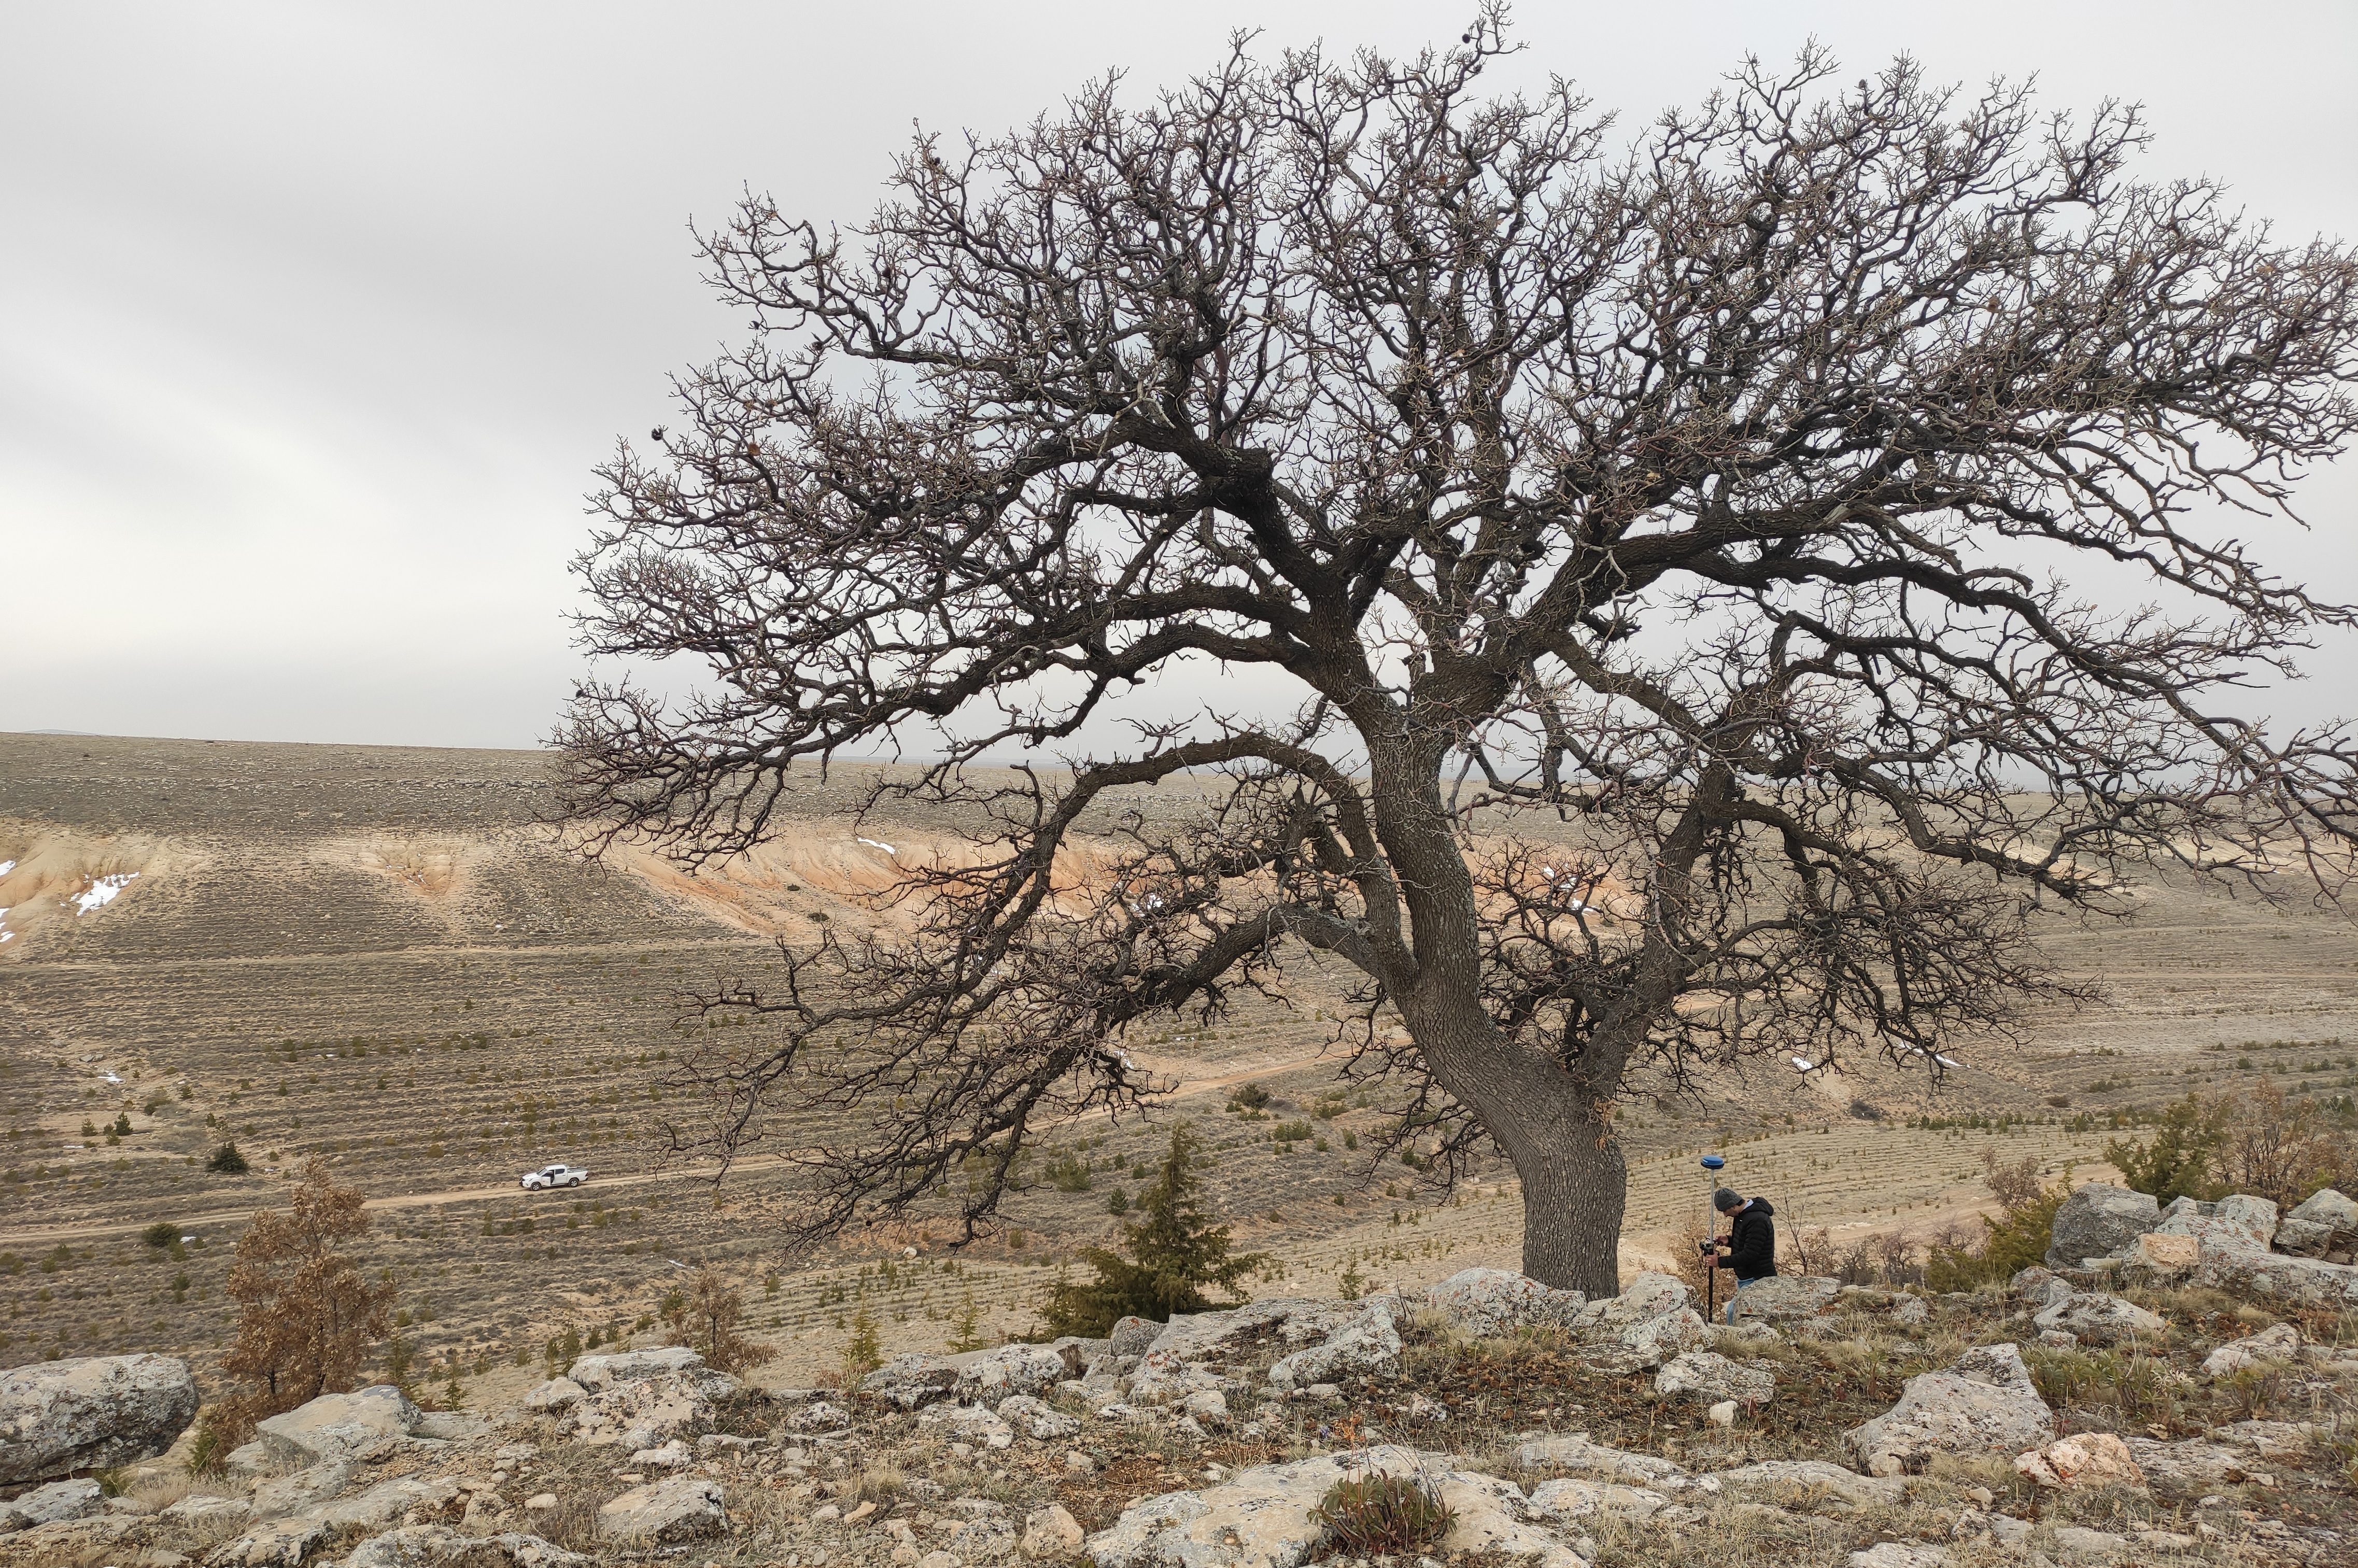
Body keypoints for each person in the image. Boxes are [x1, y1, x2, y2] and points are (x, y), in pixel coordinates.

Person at [1704, 1187, 1776, 1323]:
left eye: (1725, 1211)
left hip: (1757, 1278)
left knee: (1733, 1312)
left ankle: (1736, 1342)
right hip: (1747, 1278)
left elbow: (1750, 1254)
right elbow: (1749, 1243)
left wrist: (1719, 1262)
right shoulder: (1743, 1216)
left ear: (1733, 1206)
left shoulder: (1757, 1220)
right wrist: (1729, 1240)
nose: (1725, 1215)